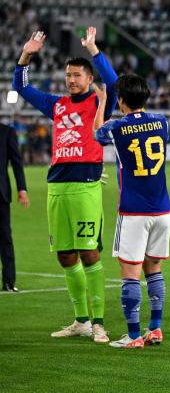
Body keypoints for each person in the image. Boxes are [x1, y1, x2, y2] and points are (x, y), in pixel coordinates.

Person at [12, 28, 118, 343]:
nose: (70, 80)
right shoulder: (56, 105)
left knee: (89, 254)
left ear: (88, 79)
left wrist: (94, 51)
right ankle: (81, 321)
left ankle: (99, 323)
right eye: (68, 75)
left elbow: (112, 82)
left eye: (76, 75)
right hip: (56, 186)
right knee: (65, 255)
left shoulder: (101, 102)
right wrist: (27, 54)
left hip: (86, 185)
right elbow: (21, 85)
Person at [93, 75, 170, 349]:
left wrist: (102, 103)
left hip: (134, 210)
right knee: (155, 270)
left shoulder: (116, 127)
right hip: (163, 209)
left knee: (130, 273)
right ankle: (156, 329)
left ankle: (134, 334)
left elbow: (96, 133)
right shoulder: (162, 121)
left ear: (121, 100)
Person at [0, 122, 30, 292]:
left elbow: (17, 162)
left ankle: (9, 282)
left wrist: (22, 189)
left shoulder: (7, 132)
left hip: (1, 194)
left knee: (5, 238)